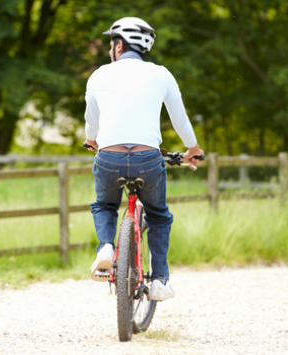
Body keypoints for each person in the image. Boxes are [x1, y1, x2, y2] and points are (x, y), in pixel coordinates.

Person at [84, 17, 204, 301]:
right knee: (159, 216)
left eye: (111, 43)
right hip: (148, 159)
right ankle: (160, 280)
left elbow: (91, 121)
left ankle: (105, 247)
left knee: (104, 204)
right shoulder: (161, 74)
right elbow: (180, 120)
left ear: (120, 44)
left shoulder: (99, 74)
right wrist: (192, 149)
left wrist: (92, 140)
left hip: (109, 157)